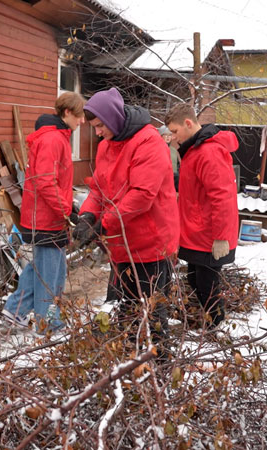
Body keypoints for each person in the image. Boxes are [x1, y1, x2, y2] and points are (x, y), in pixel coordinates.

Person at [73, 87, 180, 341]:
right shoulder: (107, 146)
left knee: (151, 314)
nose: (97, 132)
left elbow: (142, 195)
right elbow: (98, 189)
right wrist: (87, 215)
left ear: (113, 118)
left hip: (150, 244)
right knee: (126, 310)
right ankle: (132, 363)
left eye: (100, 125)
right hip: (121, 241)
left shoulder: (149, 142)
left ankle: (159, 367)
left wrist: (103, 225)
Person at [2, 92, 85, 333]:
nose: (82, 122)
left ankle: (15, 310)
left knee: (41, 266)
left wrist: (70, 206)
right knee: (52, 275)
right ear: (68, 112)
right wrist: (66, 211)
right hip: (47, 218)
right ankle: (48, 324)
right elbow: (45, 182)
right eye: (79, 116)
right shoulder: (52, 140)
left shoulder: (56, 137)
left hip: (44, 215)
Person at [165, 103, 239, 328]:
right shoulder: (194, 149)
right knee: (195, 279)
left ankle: (217, 325)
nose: (174, 138)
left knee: (207, 284)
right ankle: (211, 321)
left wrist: (221, 236)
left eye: (175, 132)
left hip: (209, 235)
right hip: (197, 232)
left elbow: (223, 196)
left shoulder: (208, 151)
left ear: (188, 123)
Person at [159, 124, 180, 193]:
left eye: (170, 135)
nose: (168, 137)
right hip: (162, 181)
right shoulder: (157, 149)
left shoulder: (174, 150)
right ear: (161, 136)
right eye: (165, 135)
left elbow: (178, 166)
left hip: (174, 182)